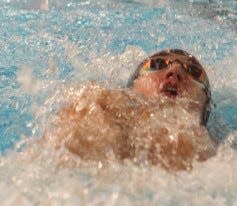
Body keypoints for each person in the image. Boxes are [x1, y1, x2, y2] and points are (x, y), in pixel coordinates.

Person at [43, 49, 216, 171]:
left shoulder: (215, 156)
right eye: (157, 63)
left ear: (205, 107)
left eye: (194, 72)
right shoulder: (100, 106)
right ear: (133, 86)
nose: (175, 71)